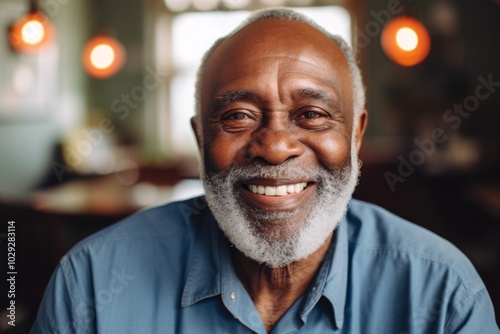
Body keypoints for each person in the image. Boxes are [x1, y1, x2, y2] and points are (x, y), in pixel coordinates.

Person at [31, 8, 499, 334]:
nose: (275, 148)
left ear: (355, 136)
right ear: (201, 139)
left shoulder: (441, 291)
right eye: (237, 116)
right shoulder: (91, 284)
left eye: (312, 114)